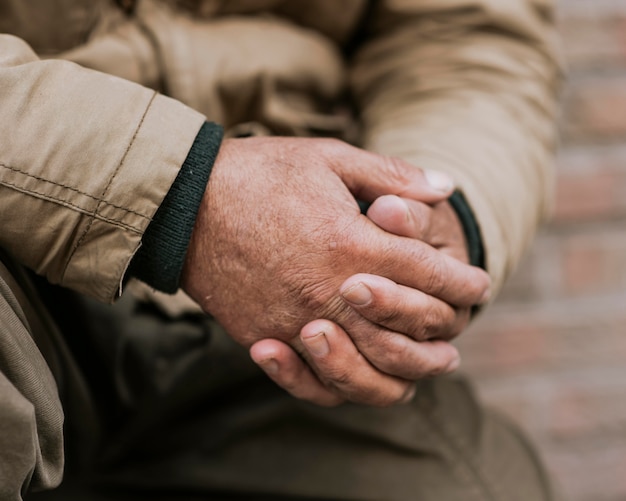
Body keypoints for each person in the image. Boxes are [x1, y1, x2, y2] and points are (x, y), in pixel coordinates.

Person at [0, 0, 561, 500]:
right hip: (20, 269)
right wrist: (184, 196)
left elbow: (468, 34)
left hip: (288, 305)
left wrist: (433, 214)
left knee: (480, 485)